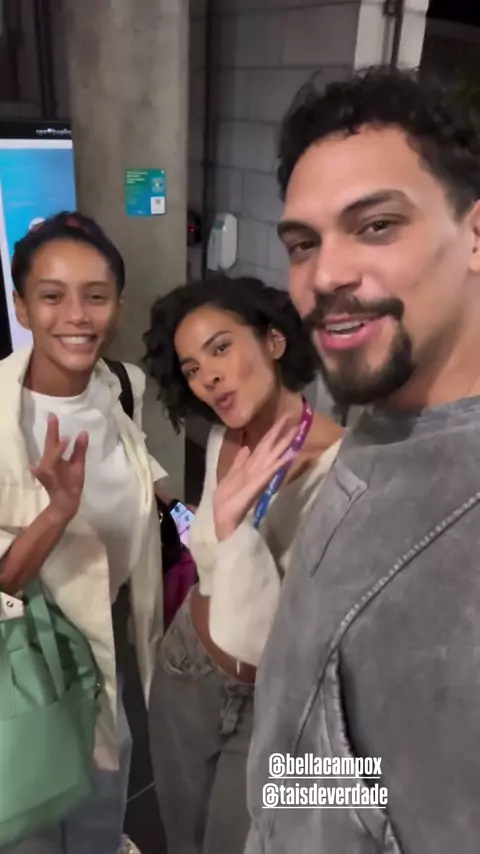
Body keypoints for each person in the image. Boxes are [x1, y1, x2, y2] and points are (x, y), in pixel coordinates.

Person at [244, 66, 480, 854]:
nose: (326, 275)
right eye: (303, 244)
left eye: (376, 225)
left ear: (474, 235)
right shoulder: (385, 424)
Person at [143, 275, 343, 853]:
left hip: (267, 701)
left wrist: (233, 532)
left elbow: (275, 634)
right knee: (180, 832)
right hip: (186, 663)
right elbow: (207, 561)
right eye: (191, 367)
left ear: (273, 341)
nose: (207, 376)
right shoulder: (226, 436)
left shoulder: (341, 469)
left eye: (221, 347)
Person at [0, 212, 166, 854]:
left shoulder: (121, 386)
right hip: (20, 668)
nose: (77, 315)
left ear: (117, 306)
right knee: (29, 821)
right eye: (52, 296)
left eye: (96, 296)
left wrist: (205, 517)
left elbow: (138, 468)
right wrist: (56, 512)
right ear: (22, 306)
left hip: (103, 656)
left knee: (100, 808)